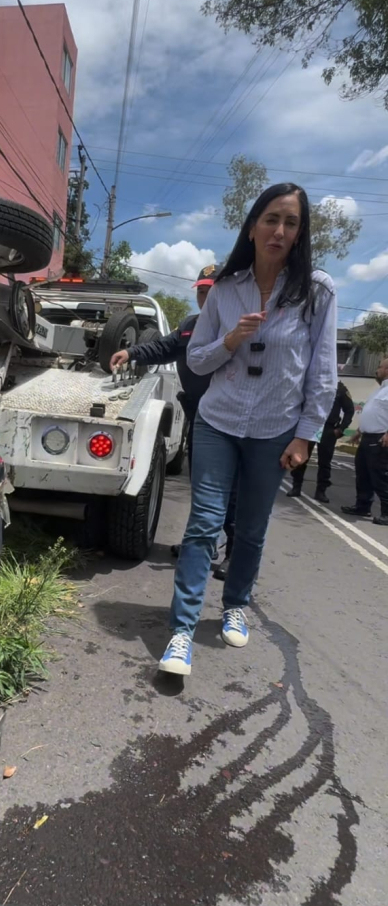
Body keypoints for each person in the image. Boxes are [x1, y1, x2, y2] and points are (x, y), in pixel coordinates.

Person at [159, 182, 337, 677]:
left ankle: (235, 603)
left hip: (275, 429)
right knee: (203, 524)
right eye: (271, 219)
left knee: (253, 529)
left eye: (291, 222)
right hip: (219, 421)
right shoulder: (225, 288)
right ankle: (181, 632)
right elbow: (196, 359)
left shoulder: (316, 292)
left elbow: (322, 372)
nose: (279, 231)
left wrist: (307, 435)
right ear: (254, 225)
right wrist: (230, 341)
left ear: (300, 233)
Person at [109, 264, 236, 579]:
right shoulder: (191, 326)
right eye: (202, 291)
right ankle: (200, 544)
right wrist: (132, 353)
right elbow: (164, 348)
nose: (206, 297)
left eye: (213, 291)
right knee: (203, 488)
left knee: (233, 491)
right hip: (201, 419)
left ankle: (235, 553)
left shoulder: (235, 327)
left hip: (233, 423)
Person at [287, 379, 354, 502]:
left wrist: (341, 428)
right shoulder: (311, 383)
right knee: (301, 457)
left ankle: (321, 491)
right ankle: (296, 487)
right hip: (310, 425)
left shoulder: (339, 388)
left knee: (325, 462)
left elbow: (349, 409)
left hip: (328, 428)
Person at [341, 356, 388, 525]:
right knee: (363, 474)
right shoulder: (380, 389)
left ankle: (386, 512)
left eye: (380, 367)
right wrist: (359, 432)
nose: (377, 370)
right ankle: (362, 506)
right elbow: (374, 413)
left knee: (380, 476)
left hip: (380, 438)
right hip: (367, 437)